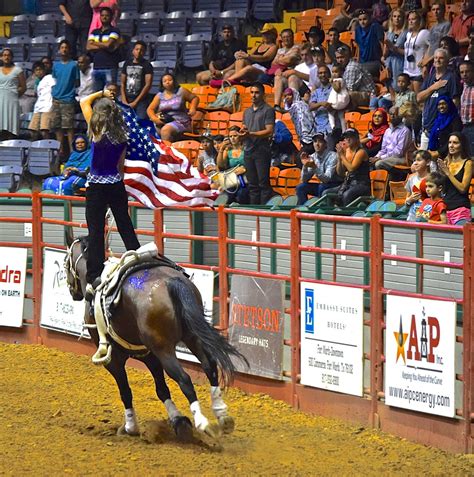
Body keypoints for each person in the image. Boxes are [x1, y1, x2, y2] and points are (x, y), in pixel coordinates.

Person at [79, 88, 140, 298]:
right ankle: (138, 258)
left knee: (95, 231)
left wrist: (102, 92)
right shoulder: (122, 135)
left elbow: (83, 102)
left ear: (99, 114)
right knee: (124, 223)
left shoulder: (96, 130)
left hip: (96, 186)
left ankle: (94, 276)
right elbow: (120, 166)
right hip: (115, 183)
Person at [417, 48, 461, 149]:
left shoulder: (451, 77)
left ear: (447, 60)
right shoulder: (430, 78)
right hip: (427, 127)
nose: (437, 60)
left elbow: (455, 102)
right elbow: (419, 98)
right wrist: (433, 87)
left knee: (437, 162)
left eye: (441, 58)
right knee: (422, 160)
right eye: (436, 58)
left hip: (442, 129)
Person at [240, 82, 275, 204]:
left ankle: (264, 210)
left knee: (263, 183)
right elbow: (244, 127)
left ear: (263, 94)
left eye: (257, 92)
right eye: (252, 92)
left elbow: (269, 131)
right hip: (248, 149)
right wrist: (243, 132)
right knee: (252, 184)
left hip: (262, 150)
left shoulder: (268, 110)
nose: (253, 95)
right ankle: (254, 210)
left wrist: (251, 134)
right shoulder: (247, 112)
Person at [147, 73, 198, 142]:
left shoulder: (181, 91)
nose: (167, 82)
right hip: (165, 121)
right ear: (162, 84)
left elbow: (194, 98)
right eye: (165, 81)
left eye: (170, 80)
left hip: (181, 121)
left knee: (165, 130)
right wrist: (155, 119)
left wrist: (193, 108)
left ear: (174, 81)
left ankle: (167, 152)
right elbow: (150, 109)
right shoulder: (159, 96)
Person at [326, 128, 370, 206]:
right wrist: (339, 158)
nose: (347, 139)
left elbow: (351, 168)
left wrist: (342, 156)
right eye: (346, 138)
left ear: (357, 138)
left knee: (346, 195)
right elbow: (340, 173)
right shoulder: (346, 151)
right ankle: (330, 215)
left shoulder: (361, 152)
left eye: (350, 137)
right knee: (326, 193)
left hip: (362, 184)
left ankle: (346, 216)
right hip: (349, 183)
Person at [437, 132, 473, 225]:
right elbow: (443, 189)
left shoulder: (468, 163)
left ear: (462, 145)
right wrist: (441, 173)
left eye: (455, 143)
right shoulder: (446, 161)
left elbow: (463, 189)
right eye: (449, 142)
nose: (451, 146)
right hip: (445, 208)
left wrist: (448, 173)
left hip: (461, 209)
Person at [51, 40, 80, 155]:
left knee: (69, 127)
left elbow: (77, 82)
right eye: (62, 47)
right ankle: (60, 150)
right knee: (57, 127)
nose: (64, 49)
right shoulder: (55, 65)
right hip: (56, 99)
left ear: (69, 50)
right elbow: (54, 80)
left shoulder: (74, 65)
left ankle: (73, 151)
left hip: (68, 100)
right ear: (59, 50)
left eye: (66, 47)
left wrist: (70, 92)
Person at [296, 133, 341, 204]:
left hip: (336, 185)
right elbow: (304, 180)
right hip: (323, 185)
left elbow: (326, 179)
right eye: (315, 141)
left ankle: (320, 209)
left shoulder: (333, 156)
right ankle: (302, 210)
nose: (317, 144)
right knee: (300, 187)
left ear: (326, 144)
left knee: (322, 187)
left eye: (320, 141)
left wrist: (314, 167)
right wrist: (305, 166)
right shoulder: (312, 157)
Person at [86, 7, 122, 91]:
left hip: (110, 67)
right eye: (102, 15)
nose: (104, 17)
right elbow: (88, 47)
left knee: (110, 95)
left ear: (111, 17)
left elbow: (108, 45)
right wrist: (104, 45)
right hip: (96, 67)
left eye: (107, 15)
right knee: (96, 95)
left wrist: (94, 43)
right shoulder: (94, 32)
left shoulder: (115, 31)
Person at [273, 43, 316, 111]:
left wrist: (295, 72)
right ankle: (276, 106)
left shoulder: (316, 65)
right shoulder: (299, 67)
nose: (304, 57)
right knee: (278, 78)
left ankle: (293, 104)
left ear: (311, 54)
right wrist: (281, 74)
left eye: (306, 54)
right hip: (298, 89)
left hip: (310, 90)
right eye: (302, 55)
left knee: (293, 77)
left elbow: (315, 79)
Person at [216, 126, 249, 204]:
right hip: (233, 180)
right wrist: (221, 149)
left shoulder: (246, 149)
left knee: (241, 195)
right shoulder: (228, 151)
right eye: (230, 136)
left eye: (235, 136)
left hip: (246, 179)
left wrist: (245, 169)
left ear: (240, 136)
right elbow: (220, 165)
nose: (232, 138)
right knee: (227, 195)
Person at [120, 41, 153, 120]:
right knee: (122, 120)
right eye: (137, 49)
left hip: (141, 100)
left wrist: (135, 102)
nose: (139, 51)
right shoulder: (127, 63)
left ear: (144, 52)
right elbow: (122, 83)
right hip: (127, 97)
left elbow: (148, 85)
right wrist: (124, 100)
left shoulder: (147, 65)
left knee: (140, 120)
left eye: (141, 50)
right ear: (133, 51)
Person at [0, 48, 26, 137]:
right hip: (0, 101)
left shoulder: (18, 70)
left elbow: (23, 87)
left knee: (11, 126)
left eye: (8, 55)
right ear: (1, 57)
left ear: (12, 57)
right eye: (4, 55)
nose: (6, 57)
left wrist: (14, 95)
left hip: (12, 102)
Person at [403, 10, 430, 95]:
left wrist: (425, 61)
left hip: (418, 70)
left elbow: (433, 46)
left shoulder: (424, 33)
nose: (410, 21)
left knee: (419, 98)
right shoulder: (408, 34)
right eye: (409, 19)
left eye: (413, 19)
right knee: (410, 100)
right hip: (407, 70)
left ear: (419, 20)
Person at [382, 8, 408, 95]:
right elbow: (384, 54)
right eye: (395, 16)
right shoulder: (389, 33)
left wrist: (393, 47)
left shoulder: (406, 33)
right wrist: (386, 46)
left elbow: (408, 52)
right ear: (391, 19)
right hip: (389, 62)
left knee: (399, 85)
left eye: (399, 16)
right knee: (389, 83)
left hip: (400, 61)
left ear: (403, 19)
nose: (397, 18)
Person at [282, 86, 315, 152]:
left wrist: (305, 134)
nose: (287, 97)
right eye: (285, 96)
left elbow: (304, 120)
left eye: (289, 95)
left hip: (308, 137)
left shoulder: (299, 105)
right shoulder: (292, 108)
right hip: (302, 138)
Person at [28, 61, 55, 139]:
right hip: (38, 108)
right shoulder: (38, 82)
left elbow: (54, 90)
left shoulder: (50, 77)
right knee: (32, 131)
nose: (38, 72)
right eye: (36, 70)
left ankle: (47, 149)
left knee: (44, 131)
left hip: (48, 107)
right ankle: (36, 149)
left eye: (40, 69)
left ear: (44, 70)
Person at [421, 2, 451, 72]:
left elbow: (443, 47)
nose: (436, 12)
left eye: (438, 9)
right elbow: (430, 45)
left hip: (439, 59)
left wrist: (428, 60)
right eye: (433, 9)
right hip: (431, 60)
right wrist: (424, 60)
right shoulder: (433, 27)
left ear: (443, 10)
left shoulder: (447, 25)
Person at [354, 9, 384, 77]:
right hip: (362, 62)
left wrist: (383, 57)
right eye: (360, 20)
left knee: (359, 71)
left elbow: (382, 43)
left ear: (370, 19)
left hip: (375, 61)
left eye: (365, 19)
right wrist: (358, 61)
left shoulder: (375, 27)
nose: (362, 22)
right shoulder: (357, 29)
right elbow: (358, 47)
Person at [405, 149, 430, 221]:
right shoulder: (411, 179)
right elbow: (406, 202)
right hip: (412, 217)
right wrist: (409, 200)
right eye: (414, 161)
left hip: (427, 217)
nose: (415, 163)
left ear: (428, 162)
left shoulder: (433, 179)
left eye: (419, 160)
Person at [309, 65, 333, 140]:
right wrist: (320, 103)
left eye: (325, 72)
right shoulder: (316, 92)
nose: (323, 75)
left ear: (329, 74)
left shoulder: (334, 89)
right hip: (319, 128)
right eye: (320, 73)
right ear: (317, 76)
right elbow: (310, 107)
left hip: (332, 128)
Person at [327, 64, 350, 132]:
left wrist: (331, 82)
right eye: (332, 72)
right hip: (341, 102)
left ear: (341, 72)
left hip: (338, 101)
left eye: (336, 72)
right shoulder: (340, 80)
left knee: (330, 113)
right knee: (341, 116)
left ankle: (332, 126)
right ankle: (344, 130)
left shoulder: (338, 80)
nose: (334, 74)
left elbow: (337, 89)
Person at [459, 60, 474, 154]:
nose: (464, 74)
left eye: (467, 71)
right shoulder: (464, 85)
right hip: (464, 127)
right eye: (462, 72)